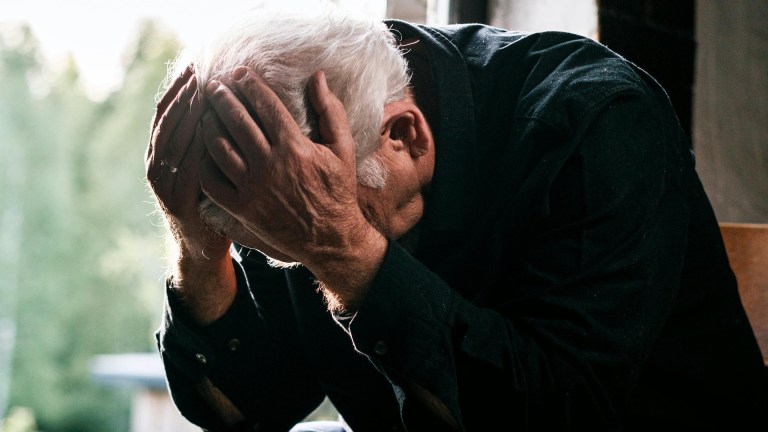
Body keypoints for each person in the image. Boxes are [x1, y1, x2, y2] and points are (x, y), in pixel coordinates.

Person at [145, 7, 768, 432]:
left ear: (404, 136)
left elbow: (562, 412)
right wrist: (198, 250)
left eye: (302, 229)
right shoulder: (285, 172)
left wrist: (342, 249)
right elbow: (251, 410)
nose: (294, 246)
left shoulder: (596, 123)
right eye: (272, 241)